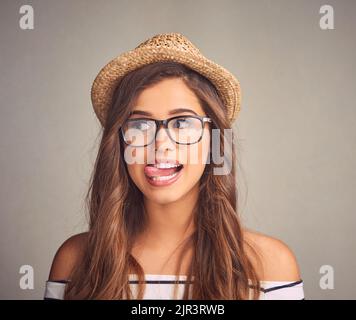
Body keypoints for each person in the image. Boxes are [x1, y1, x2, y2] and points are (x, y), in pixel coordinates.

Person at [44, 33, 304, 300]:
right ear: (120, 145)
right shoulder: (74, 261)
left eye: (181, 122)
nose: (160, 144)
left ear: (215, 141)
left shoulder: (272, 268)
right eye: (140, 125)